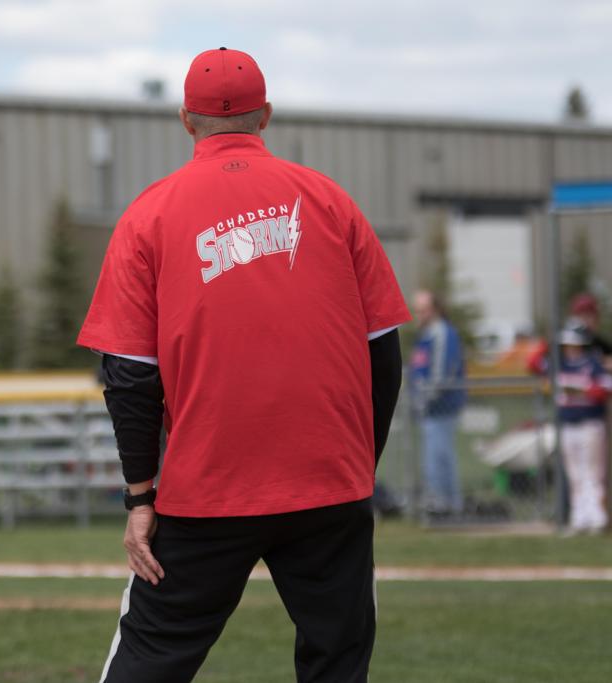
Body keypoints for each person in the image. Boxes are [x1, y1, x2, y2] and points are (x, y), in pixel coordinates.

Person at [78, 48, 409, 683]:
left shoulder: (149, 214)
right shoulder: (330, 202)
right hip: (326, 483)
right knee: (338, 661)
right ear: (266, 117)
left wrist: (140, 495)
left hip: (207, 487)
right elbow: (382, 352)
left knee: (152, 655)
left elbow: (128, 375)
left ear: (185, 120)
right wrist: (356, 464)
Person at [528, 328, 611, 534]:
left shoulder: (592, 364)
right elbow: (533, 363)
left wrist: (583, 390)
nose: (570, 349)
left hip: (589, 423)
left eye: (574, 345)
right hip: (567, 425)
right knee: (574, 474)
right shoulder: (559, 364)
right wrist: (548, 342)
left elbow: (605, 389)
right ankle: (580, 517)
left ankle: (597, 517)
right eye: (566, 345)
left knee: (592, 472)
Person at [411, 290, 467, 515]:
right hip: (429, 409)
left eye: (423, 310)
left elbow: (442, 373)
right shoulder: (426, 335)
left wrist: (425, 398)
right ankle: (441, 502)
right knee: (433, 457)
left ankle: (448, 504)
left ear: (434, 310)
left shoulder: (442, 333)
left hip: (440, 407)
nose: (419, 315)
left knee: (440, 457)